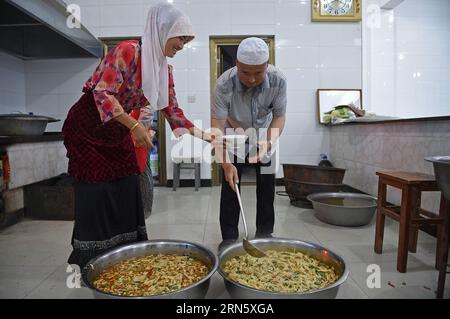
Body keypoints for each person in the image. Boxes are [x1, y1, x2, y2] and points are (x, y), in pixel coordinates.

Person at [63, 3, 211, 268]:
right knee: (96, 191)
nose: (183, 46)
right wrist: (134, 126)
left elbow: (173, 110)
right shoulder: (128, 51)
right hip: (87, 126)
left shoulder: (163, 70)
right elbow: (102, 92)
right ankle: (91, 258)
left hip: (116, 130)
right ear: (164, 30)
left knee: (128, 186)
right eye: (181, 38)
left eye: (187, 41)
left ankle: (122, 253)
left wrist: (205, 136)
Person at [211, 37, 287, 252]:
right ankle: (229, 237)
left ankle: (265, 233)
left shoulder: (279, 81)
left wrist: (267, 142)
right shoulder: (223, 84)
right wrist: (225, 164)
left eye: (258, 72)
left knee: (267, 188)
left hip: (265, 137)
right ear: (237, 64)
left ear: (267, 65)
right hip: (233, 137)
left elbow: (280, 117)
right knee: (230, 186)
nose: (252, 79)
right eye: (245, 72)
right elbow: (217, 125)